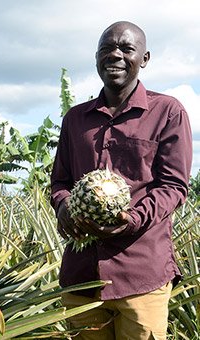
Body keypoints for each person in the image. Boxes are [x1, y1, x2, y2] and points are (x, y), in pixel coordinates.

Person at [50, 21, 192, 339]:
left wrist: (131, 221)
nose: (115, 55)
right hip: (82, 276)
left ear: (144, 58)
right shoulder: (75, 118)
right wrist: (63, 207)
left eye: (126, 49)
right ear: (97, 57)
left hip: (141, 275)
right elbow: (60, 181)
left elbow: (174, 186)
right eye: (106, 49)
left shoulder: (168, 112)